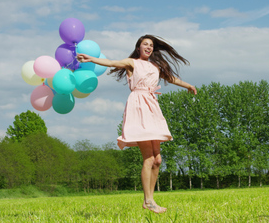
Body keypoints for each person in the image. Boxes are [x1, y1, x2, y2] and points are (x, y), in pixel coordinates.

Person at [77, 35, 197, 214]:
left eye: (151, 45)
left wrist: (188, 85)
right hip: (138, 107)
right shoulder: (132, 63)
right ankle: (148, 201)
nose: (148, 47)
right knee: (148, 159)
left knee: (157, 160)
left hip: (152, 107)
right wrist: (91, 58)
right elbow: (111, 62)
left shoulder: (155, 66)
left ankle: (150, 199)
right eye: (145, 44)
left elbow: (171, 79)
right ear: (139, 47)